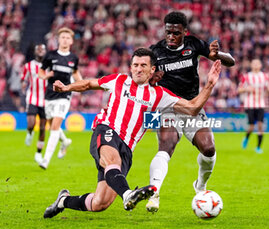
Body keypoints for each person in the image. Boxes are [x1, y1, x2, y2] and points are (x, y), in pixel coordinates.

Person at [43, 48, 221, 218]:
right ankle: (128, 194)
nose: (138, 69)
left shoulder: (159, 95)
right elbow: (89, 83)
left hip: (127, 147)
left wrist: (210, 84)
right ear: (130, 67)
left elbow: (192, 108)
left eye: (143, 65)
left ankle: (63, 201)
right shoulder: (119, 80)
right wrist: (67, 88)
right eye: (135, 65)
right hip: (107, 130)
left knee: (99, 203)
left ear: (152, 69)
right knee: (113, 161)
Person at [146, 11, 235, 212]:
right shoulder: (155, 51)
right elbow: (140, 78)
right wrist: (151, 79)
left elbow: (231, 62)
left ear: (184, 32)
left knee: (209, 149)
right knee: (166, 145)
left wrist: (217, 54)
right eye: (168, 32)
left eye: (176, 33)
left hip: (192, 106)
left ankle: (200, 186)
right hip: (166, 107)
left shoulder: (194, 44)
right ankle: (154, 193)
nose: (171, 36)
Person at [36, 27, 83, 169]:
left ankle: (46, 159)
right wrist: (45, 76)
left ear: (71, 41)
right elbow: (41, 71)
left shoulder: (73, 58)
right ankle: (65, 141)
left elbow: (75, 73)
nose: (65, 40)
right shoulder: (50, 55)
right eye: (63, 37)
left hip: (64, 95)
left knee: (55, 126)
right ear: (58, 39)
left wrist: (82, 85)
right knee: (52, 125)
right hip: (50, 94)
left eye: (68, 38)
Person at [238, 59, 269, 154]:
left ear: (260, 65)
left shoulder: (264, 76)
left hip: (260, 104)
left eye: (258, 63)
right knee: (252, 127)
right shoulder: (247, 76)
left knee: (260, 126)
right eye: (254, 63)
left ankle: (258, 147)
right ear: (251, 65)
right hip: (250, 104)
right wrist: (246, 89)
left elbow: (268, 88)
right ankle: (246, 138)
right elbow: (239, 89)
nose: (256, 65)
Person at [21, 44, 47, 160]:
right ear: (35, 52)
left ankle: (38, 153)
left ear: (45, 51)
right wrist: (23, 85)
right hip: (33, 98)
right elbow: (24, 79)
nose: (41, 51)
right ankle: (30, 132)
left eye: (42, 49)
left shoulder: (49, 65)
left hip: (46, 101)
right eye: (38, 49)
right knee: (31, 124)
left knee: (42, 128)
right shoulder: (29, 65)